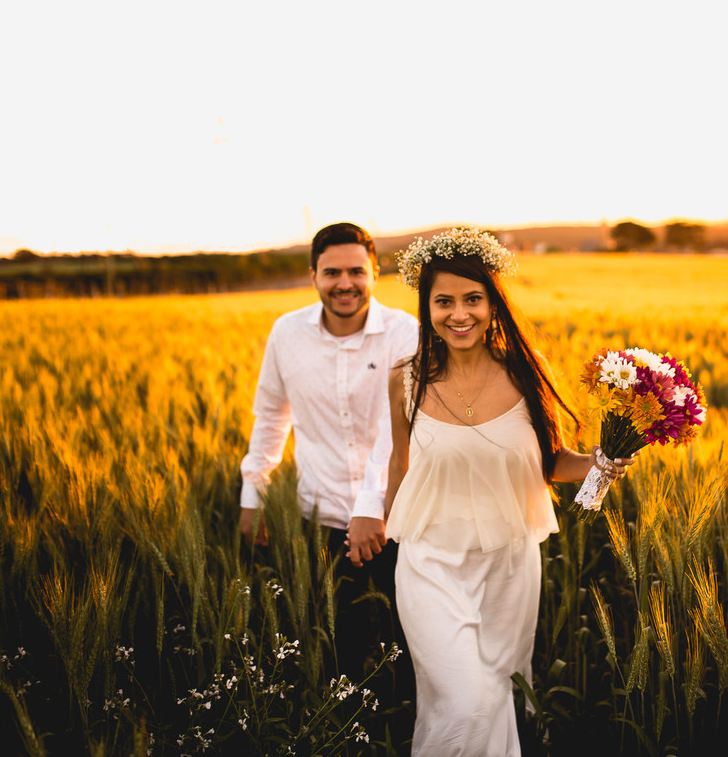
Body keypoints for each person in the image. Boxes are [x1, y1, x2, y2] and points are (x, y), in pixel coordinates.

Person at [383, 227, 633, 756]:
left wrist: (601, 463)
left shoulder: (526, 370)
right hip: (429, 563)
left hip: (509, 566)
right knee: (464, 699)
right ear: (426, 307)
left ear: (494, 302)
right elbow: (400, 465)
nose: (459, 314)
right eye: (443, 301)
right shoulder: (405, 379)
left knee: (494, 693)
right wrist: (387, 544)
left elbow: (549, 461)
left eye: (473, 299)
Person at [238, 222, 418, 711]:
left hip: (398, 520)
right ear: (313, 274)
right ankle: (348, 731)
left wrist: (372, 507)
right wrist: (253, 495)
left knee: (412, 643)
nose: (345, 283)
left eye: (356, 271)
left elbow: (395, 428)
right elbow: (272, 417)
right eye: (332, 271)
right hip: (318, 517)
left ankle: (405, 724)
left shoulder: (406, 333)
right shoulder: (287, 333)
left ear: (375, 272)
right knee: (340, 643)